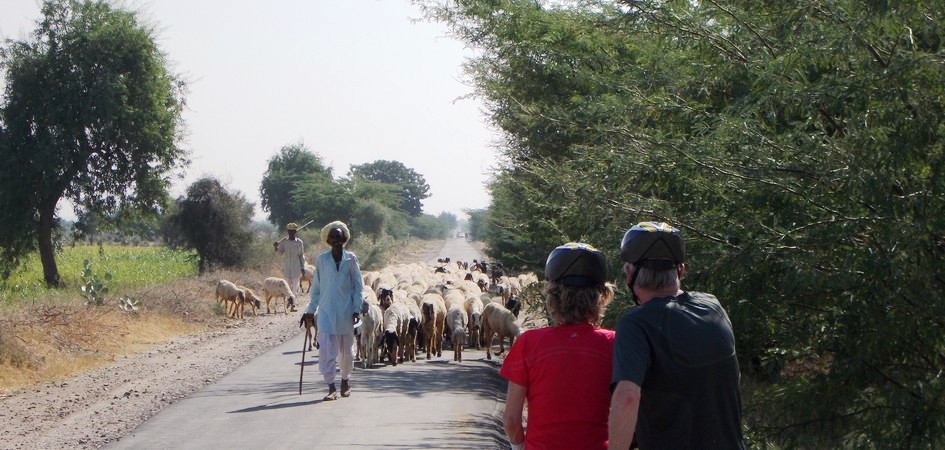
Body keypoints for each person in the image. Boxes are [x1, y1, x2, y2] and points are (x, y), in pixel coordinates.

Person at [609, 222, 745, 449]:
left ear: (629, 274)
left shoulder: (636, 323)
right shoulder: (713, 306)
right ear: (680, 270)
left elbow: (628, 397)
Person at [501, 243, 616, 450]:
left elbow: (511, 419)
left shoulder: (529, 343)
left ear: (553, 298)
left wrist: (519, 447)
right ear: (601, 297)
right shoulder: (615, 343)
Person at [300, 221, 363, 401]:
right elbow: (317, 289)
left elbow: (358, 286)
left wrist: (356, 310)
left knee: (347, 354)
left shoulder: (351, 259)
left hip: (346, 313)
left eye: (339, 237)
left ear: (344, 239)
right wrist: (310, 311)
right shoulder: (322, 260)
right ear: (328, 240)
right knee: (327, 351)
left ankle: (345, 380)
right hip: (327, 313)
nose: (336, 240)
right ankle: (331, 387)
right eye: (333, 237)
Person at [273, 222, 305, 310]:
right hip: (286, 268)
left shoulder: (299, 242)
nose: (291, 233)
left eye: (293, 231)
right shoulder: (284, 242)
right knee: (287, 287)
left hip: (296, 268)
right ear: (288, 231)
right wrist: (276, 247)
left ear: (295, 231)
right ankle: (289, 300)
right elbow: (279, 253)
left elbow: (301, 255)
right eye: (289, 231)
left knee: (295, 287)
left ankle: (293, 305)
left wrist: (303, 267)